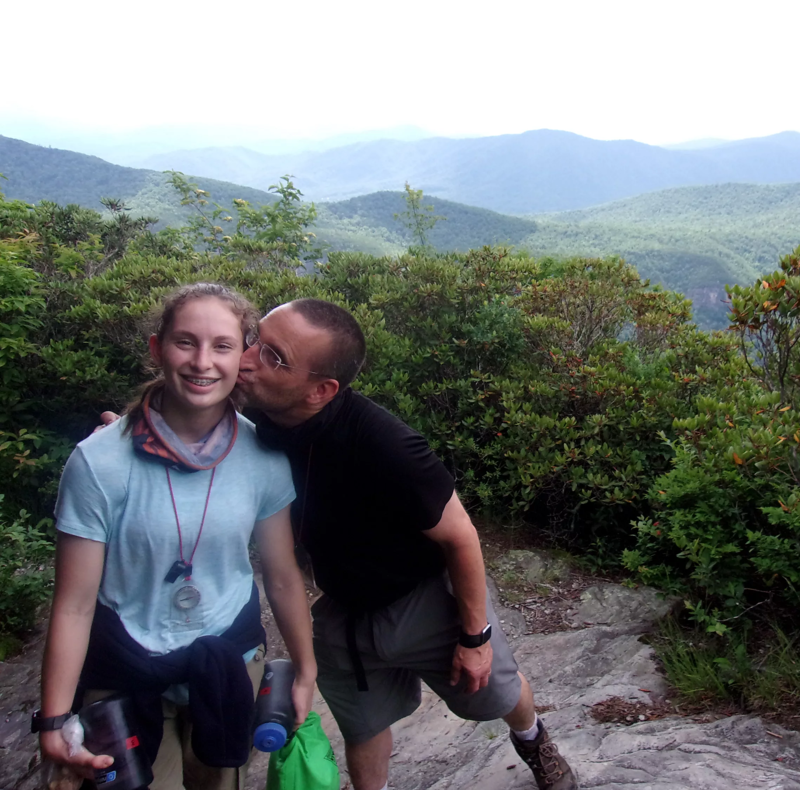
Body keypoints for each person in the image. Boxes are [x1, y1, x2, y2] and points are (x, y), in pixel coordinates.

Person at [236, 297, 578, 790]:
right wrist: (138, 428)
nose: (247, 360)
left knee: (497, 694)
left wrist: (475, 638)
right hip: (344, 612)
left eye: (274, 357)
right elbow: (191, 414)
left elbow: (461, 536)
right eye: (254, 340)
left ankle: (533, 739)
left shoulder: (386, 445)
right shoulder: (257, 416)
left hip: (425, 602)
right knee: (364, 725)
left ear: (321, 390)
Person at [36, 283, 317, 790]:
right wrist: (54, 719)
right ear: (156, 349)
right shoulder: (100, 462)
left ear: (243, 356)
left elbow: (281, 574)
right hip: (125, 668)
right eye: (185, 342)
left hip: (228, 661)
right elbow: (74, 604)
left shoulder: (262, 456)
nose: (202, 362)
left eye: (222, 346)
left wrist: (305, 669)